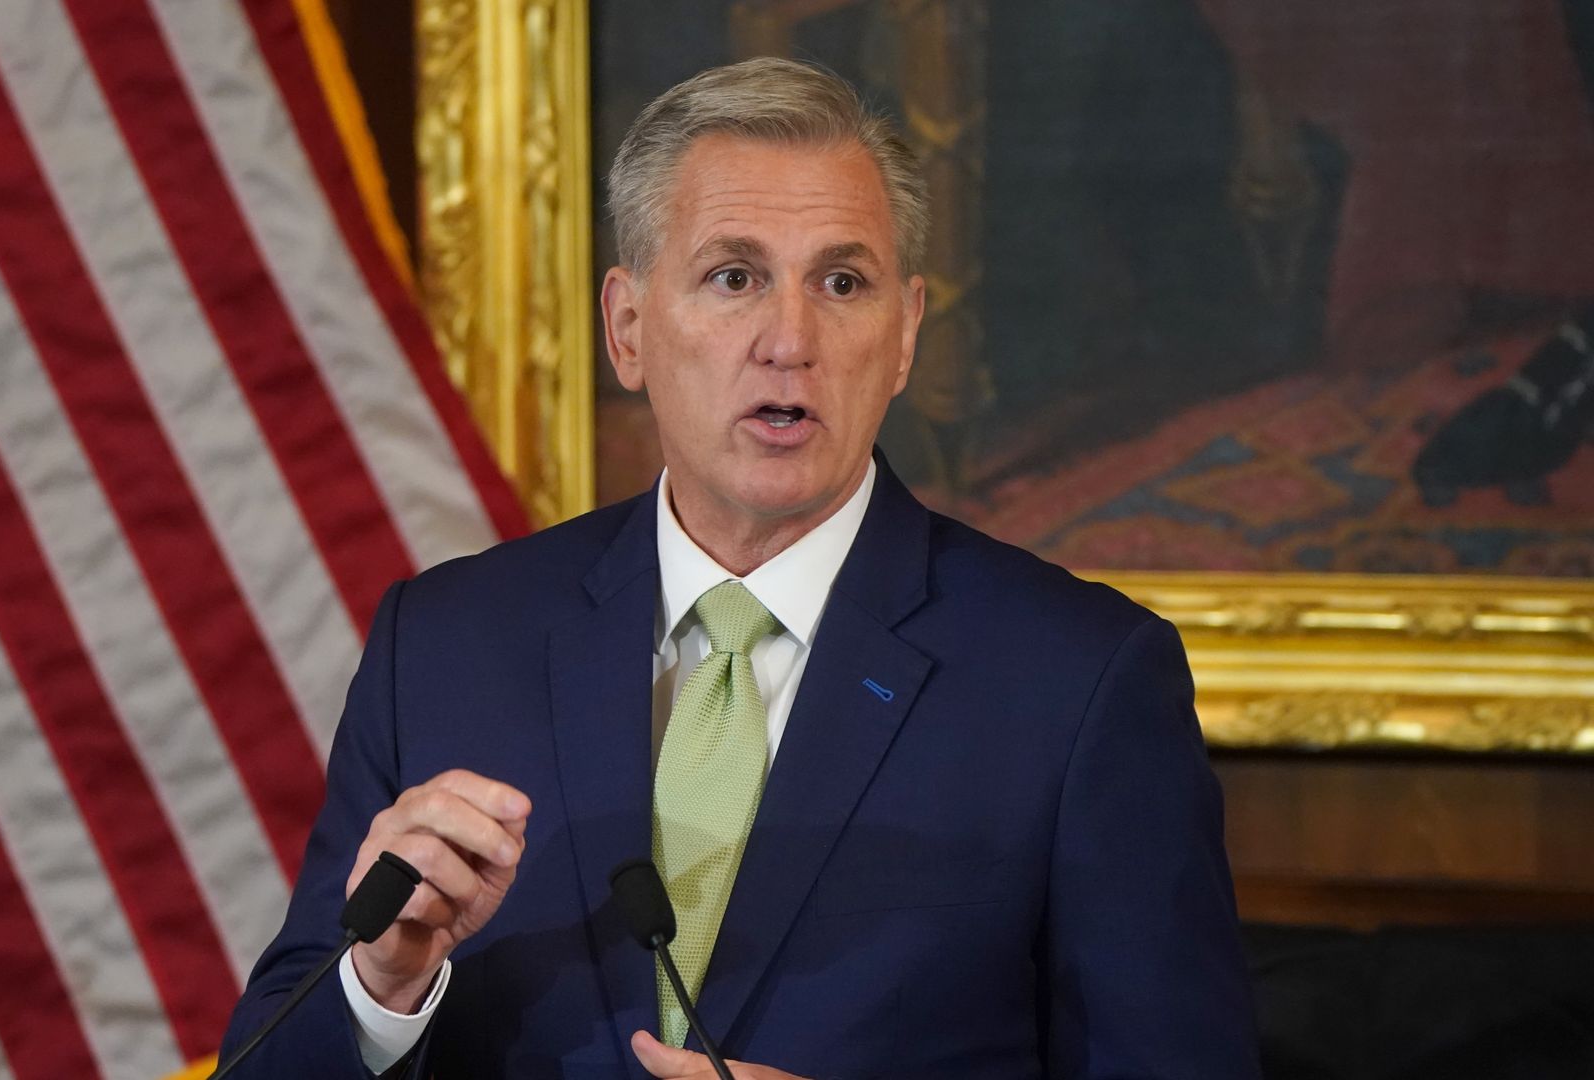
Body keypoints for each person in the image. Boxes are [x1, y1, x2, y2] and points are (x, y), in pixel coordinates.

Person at [220, 58, 1260, 1079]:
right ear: (628, 330)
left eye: (842, 283)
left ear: (903, 337)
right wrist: (383, 986)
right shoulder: (446, 645)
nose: (789, 339)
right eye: (735, 277)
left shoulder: (1077, 681)